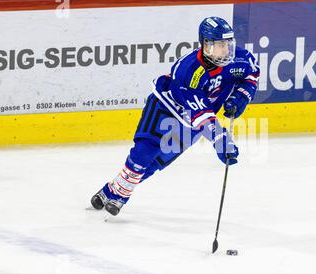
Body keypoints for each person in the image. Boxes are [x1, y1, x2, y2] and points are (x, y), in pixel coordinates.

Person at [91, 16, 260, 216]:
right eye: (219, 45)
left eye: (227, 44)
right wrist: (219, 138)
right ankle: (121, 197)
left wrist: (242, 95)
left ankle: (111, 190)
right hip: (166, 109)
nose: (225, 50)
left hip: (191, 124)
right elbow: (202, 113)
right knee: (144, 153)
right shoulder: (188, 70)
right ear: (206, 45)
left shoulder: (240, 59)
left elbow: (252, 73)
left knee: (155, 163)